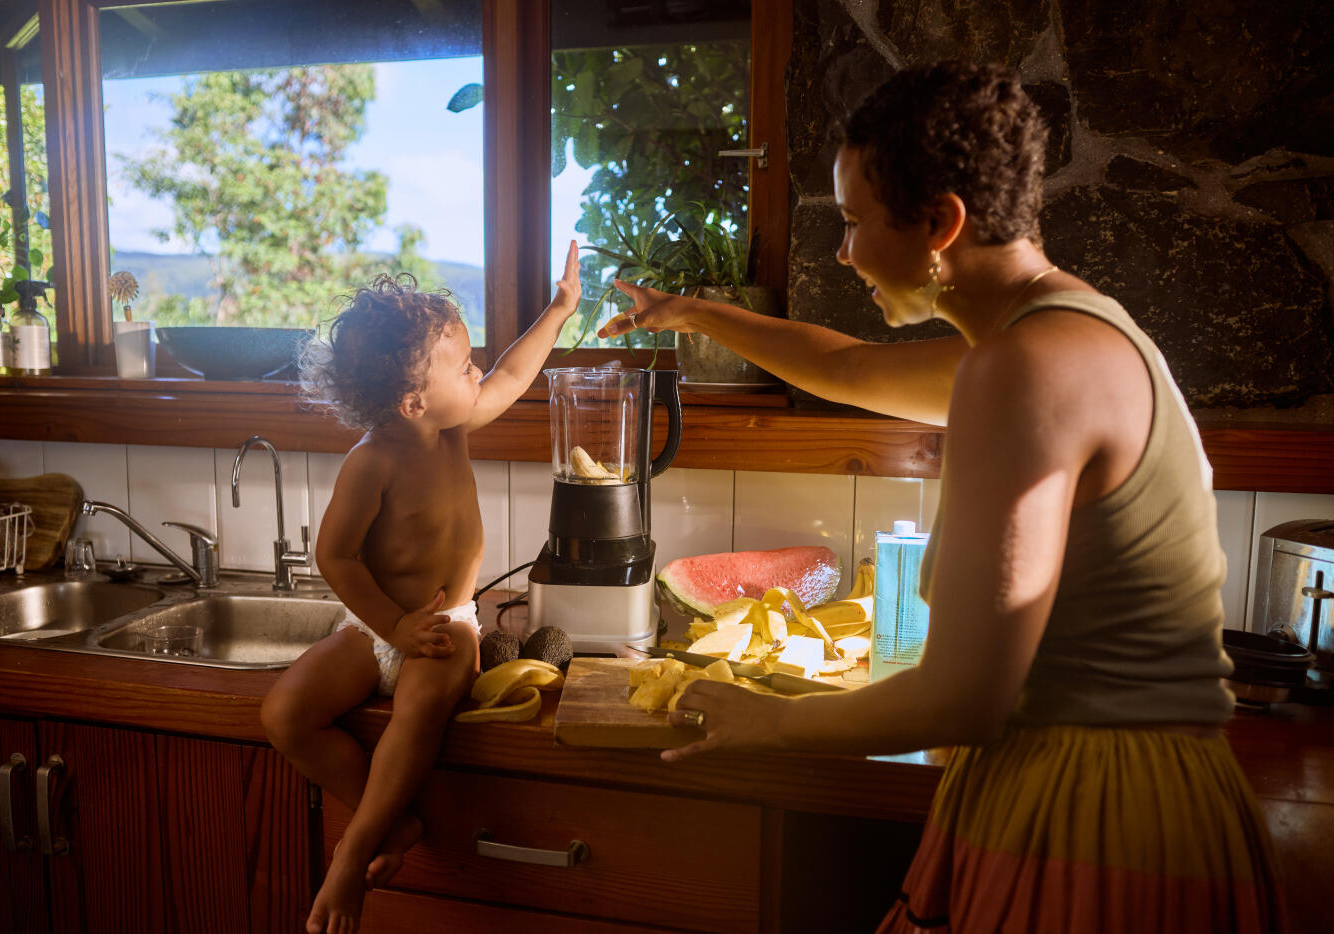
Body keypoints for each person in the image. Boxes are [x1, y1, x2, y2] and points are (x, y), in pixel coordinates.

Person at [599, 62, 1286, 931]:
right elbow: (848, 368)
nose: (842, 251)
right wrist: (693, 313)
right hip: (1123, 790)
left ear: (940, 224)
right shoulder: (1058, 333)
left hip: (1099, 810)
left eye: (854, 223)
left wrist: (766, 721)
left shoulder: (1025, 366)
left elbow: (964, 696)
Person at [262, 242, 582, 934]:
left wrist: (559, 311)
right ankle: (392, 823)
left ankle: (351, 855)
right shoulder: (369, 463)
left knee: (419, 708)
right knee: (284, 715)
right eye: (463, 367)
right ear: (413, 401)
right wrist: (391, 627)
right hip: (378, 629)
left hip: (450, 623)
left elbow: (513, 373)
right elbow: (335, 556)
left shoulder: (453, 425)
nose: (478, 374)